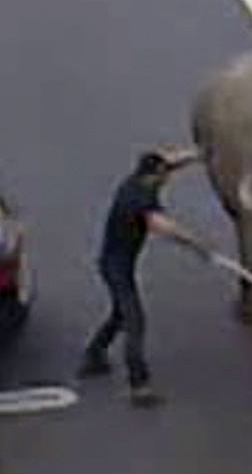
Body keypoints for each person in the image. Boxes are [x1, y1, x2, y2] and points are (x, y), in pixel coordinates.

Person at [77, 147, 216, 407]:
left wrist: (201, 154)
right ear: (156, 175)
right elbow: (163, 227)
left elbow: (172, 161)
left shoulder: (139, 177)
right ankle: (139, 386)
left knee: (119, 314)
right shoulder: (137, 199)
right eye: (165, 175)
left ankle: (94, 355)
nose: (168, 179)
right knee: (134, 321)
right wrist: (198, 244)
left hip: (115, 262)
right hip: (116, 267)